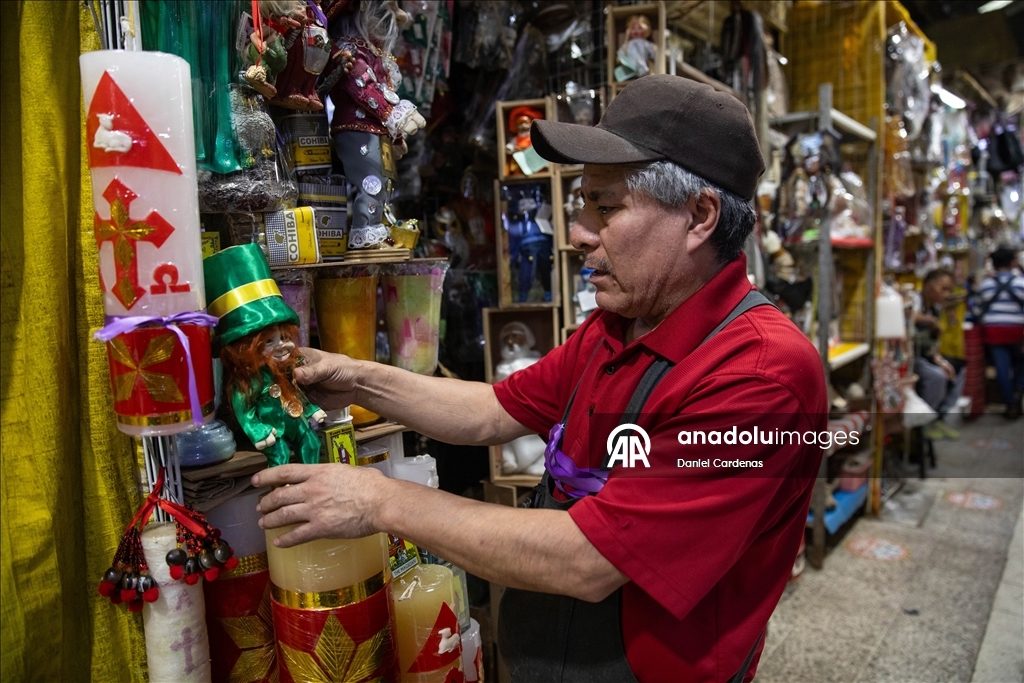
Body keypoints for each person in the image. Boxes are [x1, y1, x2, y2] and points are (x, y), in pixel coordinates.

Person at [252, 75, 827, 683]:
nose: (576, 231)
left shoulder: (761, 378)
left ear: (699, 216)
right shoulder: (621, 324)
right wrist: (360, 378)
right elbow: (493, 411)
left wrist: (378, 500)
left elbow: (589, 559)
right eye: (583, 204)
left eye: (606, 207)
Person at [911, 268, 966, 438]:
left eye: (949, 290)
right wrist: (930, 320)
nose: (946, 294)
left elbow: (933, 346)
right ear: (928, 286)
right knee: (936, 377)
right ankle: (925, 421)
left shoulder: (936, 308)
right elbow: (908, 314)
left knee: (958, 371)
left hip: (926, 355)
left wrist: (941, 360)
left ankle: (938, 418)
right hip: (911, 357)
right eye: (943, 289)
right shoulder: (915, 299)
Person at [974, 246, 1024, 419]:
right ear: (1013, 262)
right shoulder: (1021, 283)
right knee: (1021, 364)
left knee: (1001, 368)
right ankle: (1018, 390)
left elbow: (976, 309)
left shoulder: (985, 285)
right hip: (1018, 332)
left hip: (993, 332)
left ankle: (1010, 404)